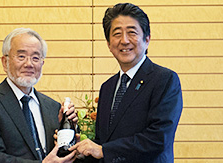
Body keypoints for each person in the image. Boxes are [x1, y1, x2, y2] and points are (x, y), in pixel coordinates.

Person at [70, 3, 183, 163]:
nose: (124, 40)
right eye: (117, 34)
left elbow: (158, 138)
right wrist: (81, 148)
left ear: (147, 39)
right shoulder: (107, 88)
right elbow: (104, 143)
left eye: (132, 32)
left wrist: (103, 150)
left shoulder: (164, 80)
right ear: (109, 44)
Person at [0, 28, 78, 163]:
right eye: (21, 56)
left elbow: (58, 157)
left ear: (42, 64)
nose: (29, 64)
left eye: (35, 58)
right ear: (5, 62)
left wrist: (72, 142)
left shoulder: (53, 107)